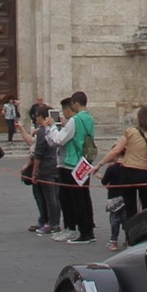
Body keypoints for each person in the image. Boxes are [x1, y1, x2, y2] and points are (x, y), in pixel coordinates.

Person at [96, 106, 147, 249]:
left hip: (129, 173)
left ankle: (131, 239)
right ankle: (146, 238)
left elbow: (116, 150)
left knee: (130, 208)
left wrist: (100, 164)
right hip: (146, 173)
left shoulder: (131, 132)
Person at [49, 91, 97, 244]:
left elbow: (60, 140)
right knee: (84, 196)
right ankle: (89, 229)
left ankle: (83, 232)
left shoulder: (75, 119)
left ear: (75, 103)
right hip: (84, 161)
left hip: (72, 163)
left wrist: (52, 127)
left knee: (75, 198)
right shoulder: (89, 118)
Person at [26, 103, 62, 236]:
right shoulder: (55, 130)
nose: (36, 119)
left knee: (49, 197)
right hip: (56, 165)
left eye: (37, 116)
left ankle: (52, 223)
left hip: (46, 167)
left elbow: (38, 154)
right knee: (55, 197)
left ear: (42, 117)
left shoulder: (42, 132)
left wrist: (34, 171)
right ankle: (55, 223)